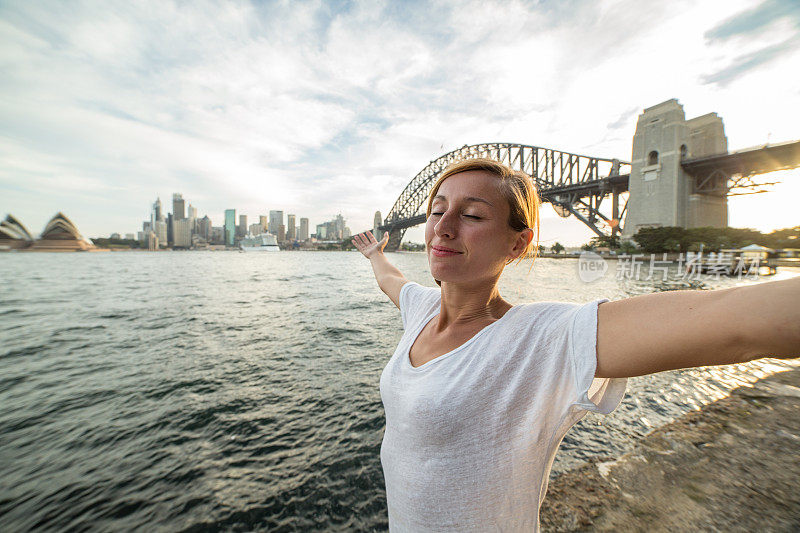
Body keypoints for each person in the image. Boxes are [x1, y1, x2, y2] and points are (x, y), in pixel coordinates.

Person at [351, 157, 800, 532]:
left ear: (518, 243)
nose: (442, 228)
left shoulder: (544, 337)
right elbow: (393, 280)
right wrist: (376, 255)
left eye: (471, 215)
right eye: (436, 211)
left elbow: (737, 323)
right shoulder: (421, 308)